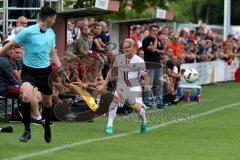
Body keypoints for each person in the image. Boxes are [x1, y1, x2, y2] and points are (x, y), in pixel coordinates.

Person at [0, 6, 61, 143]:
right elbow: (9, 46)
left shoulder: (51, 33)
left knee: (47, 101)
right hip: (29, 71)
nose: (55, 21)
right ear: (49, 18)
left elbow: (53, 54)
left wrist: (61, 66)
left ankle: (47, 127)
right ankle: (27, 130)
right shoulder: (28, 31)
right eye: (55, 18)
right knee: (26, 95)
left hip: (45, 71)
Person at [97, 38, 149, 134]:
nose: (126, 49)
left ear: (134, 48)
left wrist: (146, 84)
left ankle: (143, 121)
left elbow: (145, 76)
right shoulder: (119, 58)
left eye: (128, 47)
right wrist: (104, 84)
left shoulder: (139, 61)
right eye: (124, 47)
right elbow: (111, 72)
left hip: (134, 87)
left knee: (137, 108)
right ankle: (109, 126)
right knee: (115, 101)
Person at [142, 24, 165, 108]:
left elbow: (162, 51)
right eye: (153, 31)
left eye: (156, 30)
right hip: (149, 64)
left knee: (159, 83)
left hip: (158, 64)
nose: (155, 32)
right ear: (150, 31)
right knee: (148, 83)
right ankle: (148, 102)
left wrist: (157, 50)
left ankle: (159, 102)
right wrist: (155, 41)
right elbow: (152, 49)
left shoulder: (158, 40)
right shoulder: (146, 40)